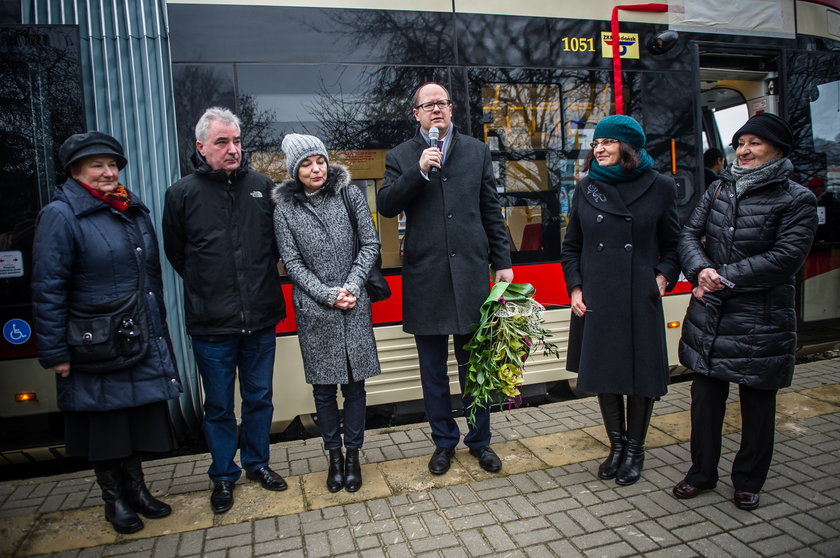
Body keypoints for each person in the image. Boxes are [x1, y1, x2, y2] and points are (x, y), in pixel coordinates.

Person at [31, 132, 183, 534]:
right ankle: (113, 499)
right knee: (105, 423)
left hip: (133, 335)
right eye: (96, 165)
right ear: (75, 171)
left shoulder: (130, 208)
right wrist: (55, 352)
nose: (108, 172)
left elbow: (149, 278)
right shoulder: (60, 215)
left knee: (132, 418)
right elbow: (48, 288)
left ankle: (138, 490)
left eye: (112, 164)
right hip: (93, 342)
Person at [674, 113, 817, 510]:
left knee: (756, 404)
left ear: (778, 149)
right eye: (740, 143)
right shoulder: (720, 189)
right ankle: (701, 473)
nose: (744, 150)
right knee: (704, 400)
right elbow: (688, 233)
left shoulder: (797, 198)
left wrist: (719, 276)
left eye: (754, 143)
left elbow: (786, 258)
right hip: (711, 314)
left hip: (762, 318)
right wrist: (699, 270)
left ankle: (748, 480)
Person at [377, 82, 513, 476]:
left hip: (471, 275)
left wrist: (501, 261)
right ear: (415, 114)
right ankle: (443, 443)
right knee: (432, 369)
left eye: (443, 103)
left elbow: (491, 209)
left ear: (451, 110)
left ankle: (480, 442)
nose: (437, 110)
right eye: (428, 105)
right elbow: (386, 205)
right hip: (427, 279)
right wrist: (417, 171)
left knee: (476, 367)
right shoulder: (402, 156)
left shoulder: (476, 151)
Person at [162, 107, 286, 514]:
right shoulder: (181, 194)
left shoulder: (263, 187)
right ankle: (222, 476)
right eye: (222, 142)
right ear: (201, 147)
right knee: (217, 406)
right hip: (211, 325)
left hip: (261, 319)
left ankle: (258, 464)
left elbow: (276, 248)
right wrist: (211, 288)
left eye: (236, 141)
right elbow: (178, 255)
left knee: (260, 398)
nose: (232, 149)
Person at [561, 114, 680, 486]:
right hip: (599, 295)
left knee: (640, 375)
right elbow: (571, 247)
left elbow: (674, 245)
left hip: (638, 294)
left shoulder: (660, 186)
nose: (598, 149)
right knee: (605, 373)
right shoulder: (587, 188)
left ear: (628, 147)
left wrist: (663, 276)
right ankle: (615, 447)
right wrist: (576, 287)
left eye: (607, 142)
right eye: (596, 143)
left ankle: (635, 450)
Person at [272, 134, 382, 493]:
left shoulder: (349, 193)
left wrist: (350, 287)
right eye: (306, 163)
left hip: (354, 305)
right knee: (323, 390)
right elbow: (292, 263)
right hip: (316, 310)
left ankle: (353, 457)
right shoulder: (285, 209)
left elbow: (370, 242)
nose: (315, 168)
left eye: (319, 160)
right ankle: (332, 457)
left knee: (354, 387)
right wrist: (328, 294)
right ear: (294, 170)